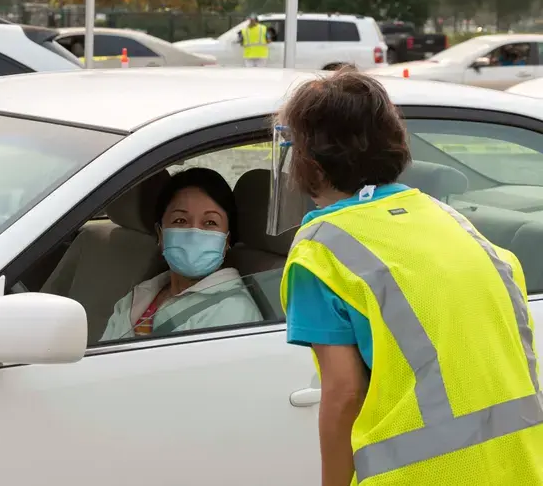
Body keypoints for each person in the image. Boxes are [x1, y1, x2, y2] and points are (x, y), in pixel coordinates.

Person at [275, 69, 542, 485]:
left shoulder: (321, 251)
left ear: (307, 160)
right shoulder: (449, 221)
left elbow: (344, 395)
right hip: (518, 468)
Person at [100, 167, 263, 341]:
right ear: (160, 233)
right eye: (180, 220)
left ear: (227, 240)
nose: (194, 233)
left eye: (210, 222)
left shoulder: (233, 312)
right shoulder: (139, 296)